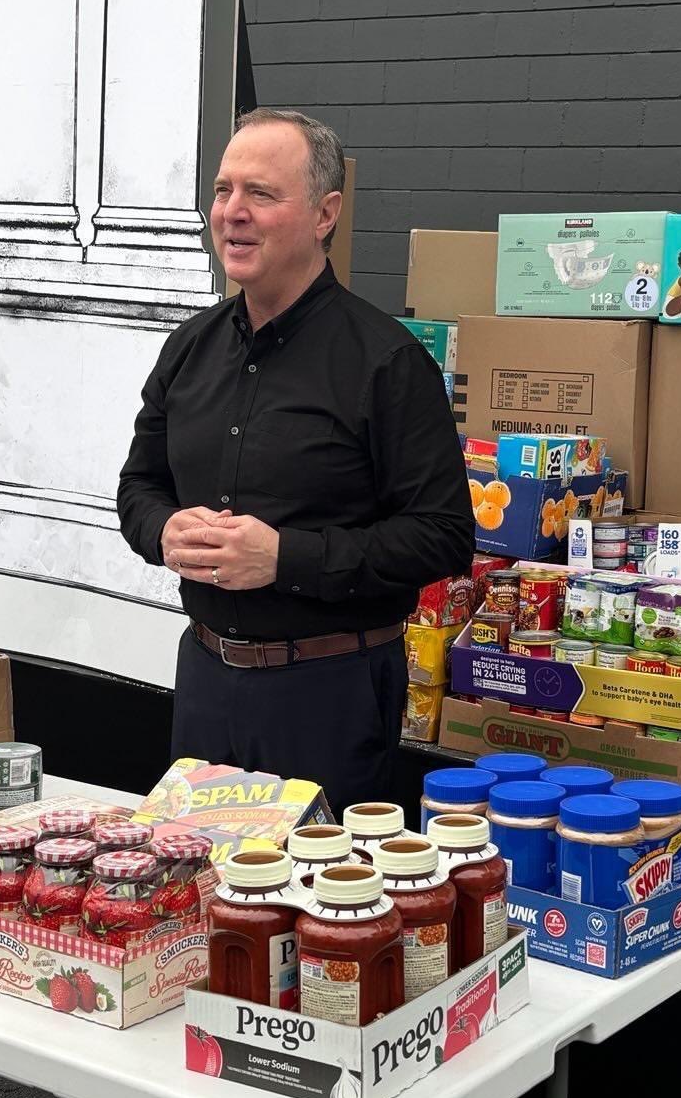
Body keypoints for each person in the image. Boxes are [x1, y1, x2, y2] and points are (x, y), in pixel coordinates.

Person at [117, 108, 474, 813]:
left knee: (316, 908)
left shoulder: (387, 363)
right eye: (222, 191)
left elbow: (442, 535)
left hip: (330, 693)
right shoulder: (188, 348)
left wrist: (287, 558)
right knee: (200, 901)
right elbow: (138, 485)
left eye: (261, 194)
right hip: (206, 681)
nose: (232, 214)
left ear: (324, 213)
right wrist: (160, 530)